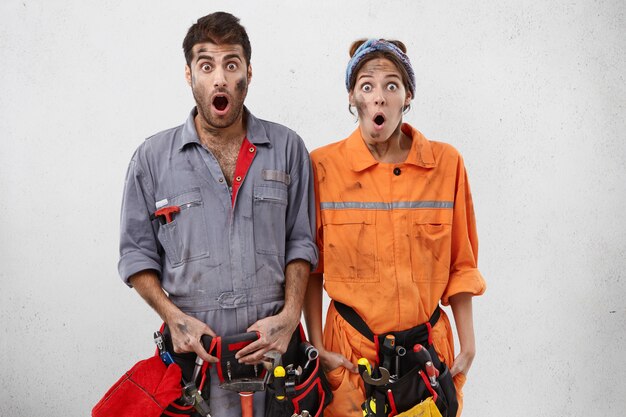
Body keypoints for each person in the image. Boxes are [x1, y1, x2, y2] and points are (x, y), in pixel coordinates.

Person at [118, 12, 317, 416]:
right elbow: (136, 256)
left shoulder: (287, 148)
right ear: (189, 75)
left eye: (231, 64)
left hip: (274, 356)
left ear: (248, 72)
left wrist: (291, 314)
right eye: (206, 65)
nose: (220, 78)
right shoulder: (152, 160)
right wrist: (173, 318)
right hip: (197, 360)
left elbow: (301, 240)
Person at [303, 39, 486, 417]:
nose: (379, 96)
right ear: (352, 96)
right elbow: (311, 267)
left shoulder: (446, 164)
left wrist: (468, 346)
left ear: (408, 97)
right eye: (366, 85)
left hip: (427, 358)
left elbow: (461, 263)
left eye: (392, 85)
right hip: (353, 360)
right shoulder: (322, 166)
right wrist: (319, 347)